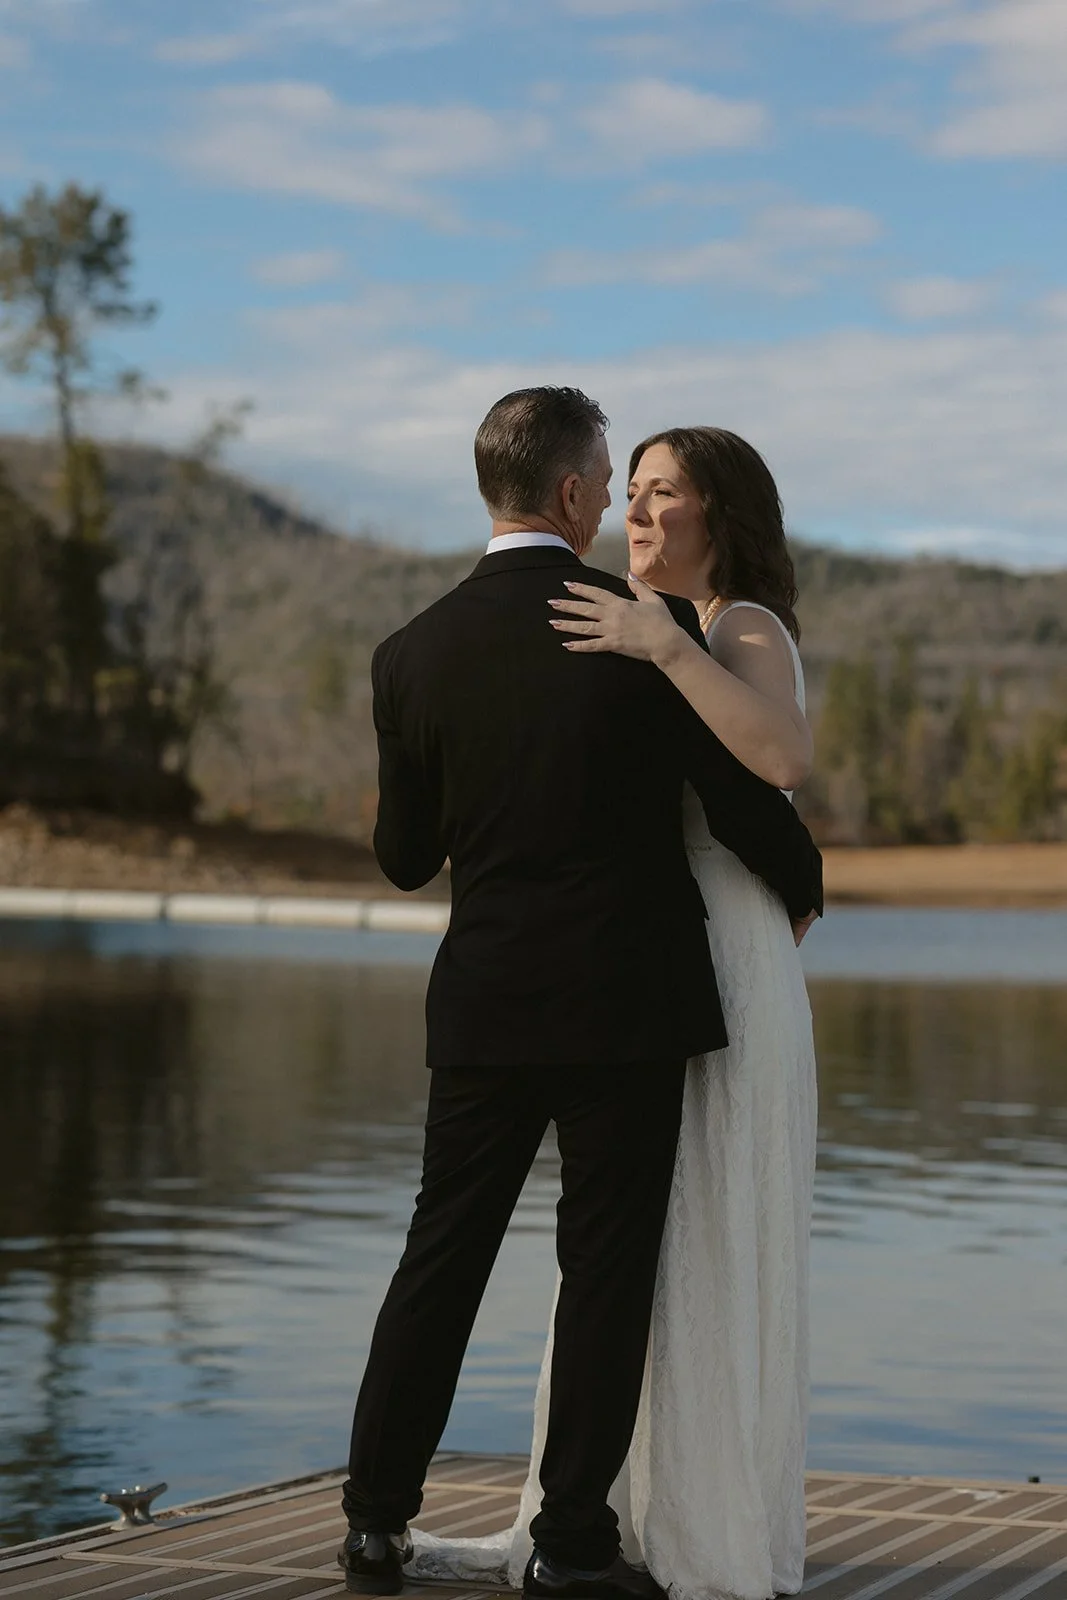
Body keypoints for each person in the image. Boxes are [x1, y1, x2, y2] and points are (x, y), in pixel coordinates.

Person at [340, 391, 823, 1600]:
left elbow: (404, 857)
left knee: (437, 1261)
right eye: (610, 480)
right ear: (568, 494)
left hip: (488, 1001)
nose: (617, 501)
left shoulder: (410, 652)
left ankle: (370, 1526)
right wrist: (800, 876)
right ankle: (568, 1545)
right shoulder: (635, 628)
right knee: (606, 1270)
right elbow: (737, 790)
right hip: (626, 1000)